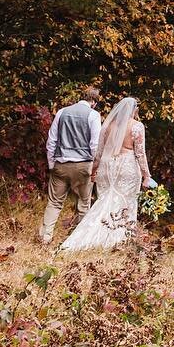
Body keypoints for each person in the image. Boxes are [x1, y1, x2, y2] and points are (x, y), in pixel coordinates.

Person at [60, 97, 157, 253]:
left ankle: (91, 233)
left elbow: (98, 153)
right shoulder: (137, 127)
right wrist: (147, 175)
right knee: (125, 202)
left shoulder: (108, 126)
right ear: (134, 110)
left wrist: (94, 171)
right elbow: (140, 153)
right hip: (127, 167)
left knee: (104, 200)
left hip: (106, 166)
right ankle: (120, 237)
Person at [40, 86, 102, 244]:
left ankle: (45, 237)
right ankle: (77, 240)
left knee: (54, 202)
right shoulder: (93, 115)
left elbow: (51, 141)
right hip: (83, 166)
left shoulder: (62, 112)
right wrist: (94, 168)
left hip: (61, 164)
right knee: (83, 202)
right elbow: (95, 145)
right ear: (93, 102)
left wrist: (51, 163)